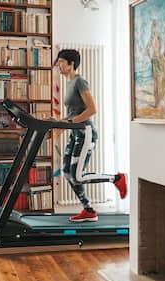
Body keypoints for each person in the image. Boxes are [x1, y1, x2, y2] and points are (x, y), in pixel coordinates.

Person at [54, 49, 127, 222]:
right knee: (66, 172)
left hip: (86, 133)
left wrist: (69, 124)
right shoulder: (69, 83)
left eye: (62, 61)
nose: (59, 64)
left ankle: (116, 178)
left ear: (71, 64)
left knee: (78, 175)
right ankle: (89, 210)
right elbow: (73, 115)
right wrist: (59, 124)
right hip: (76, 134)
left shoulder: (80, 81)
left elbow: (92, 109)